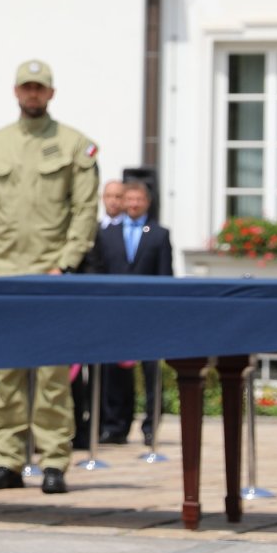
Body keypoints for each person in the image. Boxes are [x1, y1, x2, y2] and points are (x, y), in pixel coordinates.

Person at [0, 59, 99, 495]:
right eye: (27, 87)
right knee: (6, 376)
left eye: (40, 88)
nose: (33, 94)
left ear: (51, 93)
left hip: (51, 277)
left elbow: (84, 211)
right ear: (16, 92)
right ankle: (6, 460)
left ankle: (54, 461)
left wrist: (65, 263)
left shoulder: (74, 145)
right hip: (2, 274)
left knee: (52, 377)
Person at [91, 179, 172, 445]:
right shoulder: (106, 234)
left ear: (147, 203)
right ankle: (115, 426)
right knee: (113, 371)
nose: (134, 204)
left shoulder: (158, 234)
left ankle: (150, 425)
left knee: (150, 372)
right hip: (114, 312)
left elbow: (164, 276)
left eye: (139, 200)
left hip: (147, 313)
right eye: (129, 199)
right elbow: (98, 271)